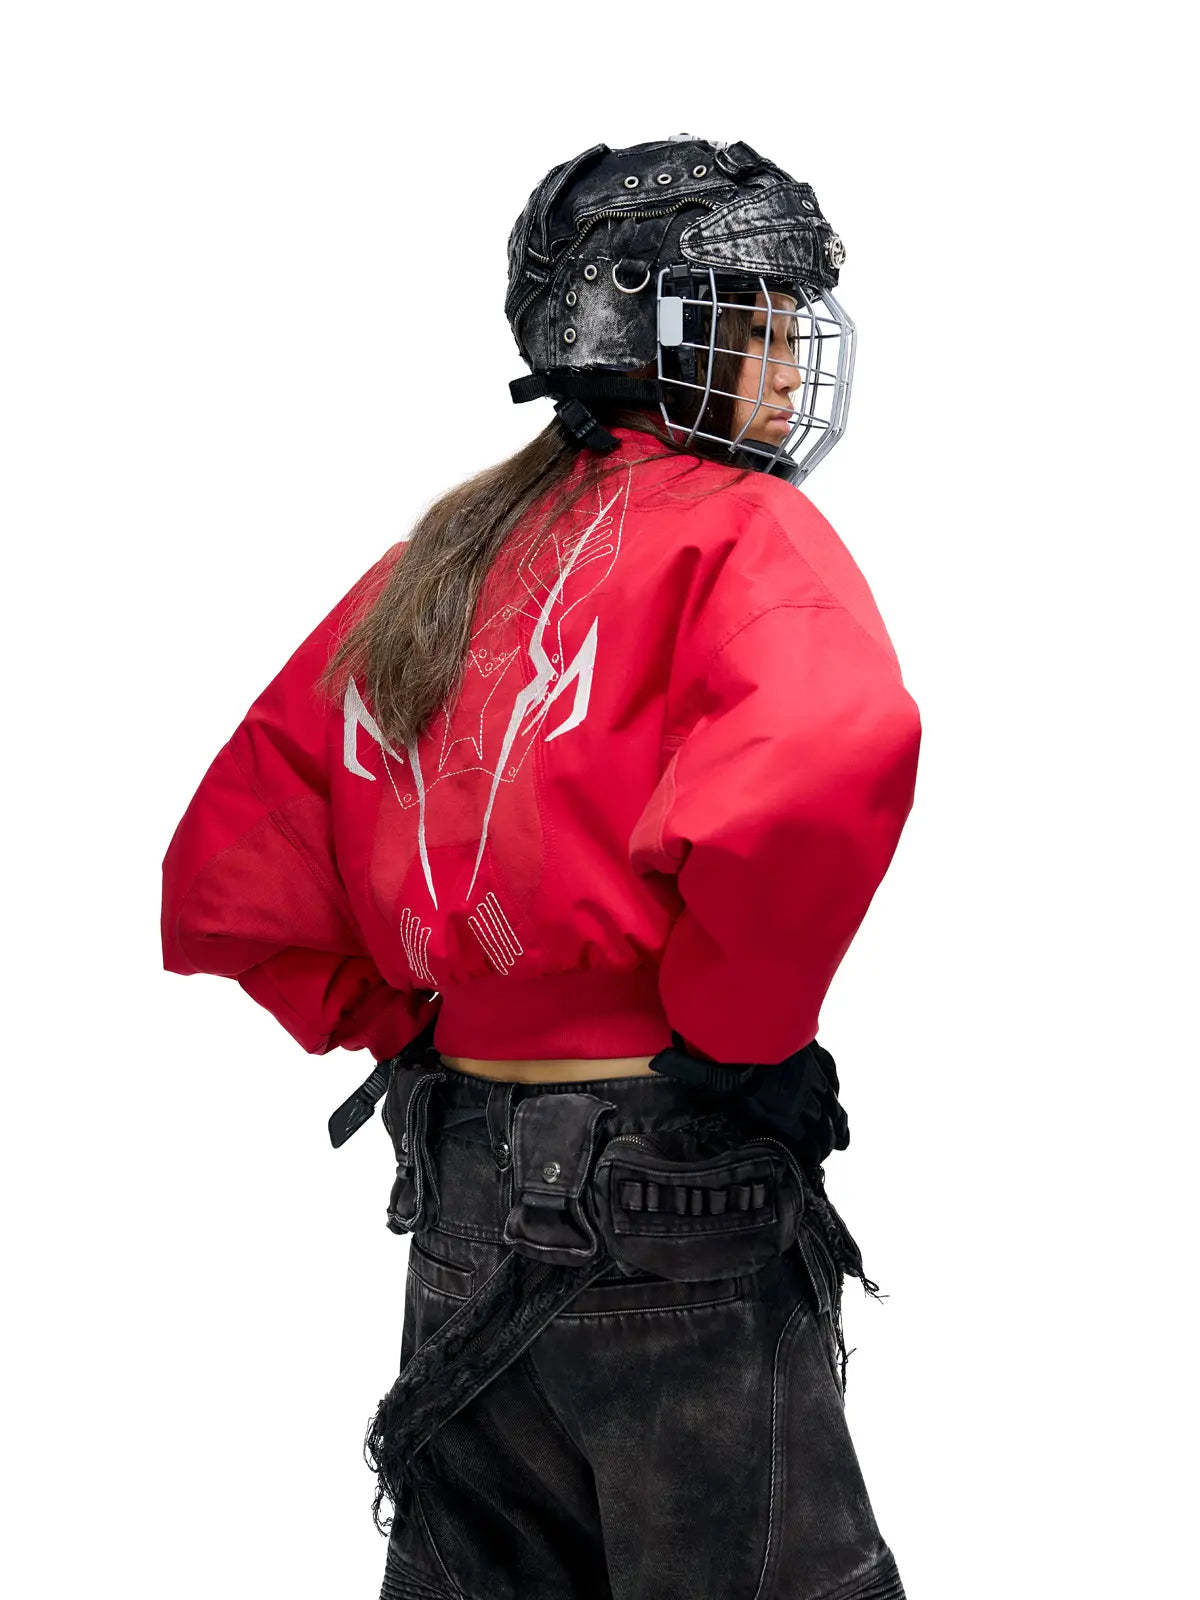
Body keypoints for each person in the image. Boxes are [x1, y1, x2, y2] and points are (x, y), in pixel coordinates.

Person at [161, 135, 920, 1600]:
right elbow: (833, 746)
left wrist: (411, 1023)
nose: (788, 367)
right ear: (656, 331)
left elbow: (237, 859)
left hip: (461, 1189)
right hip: (667, 1189)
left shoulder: (439, 559)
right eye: (759, 324)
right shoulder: (740, 533)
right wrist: (742, 1030)